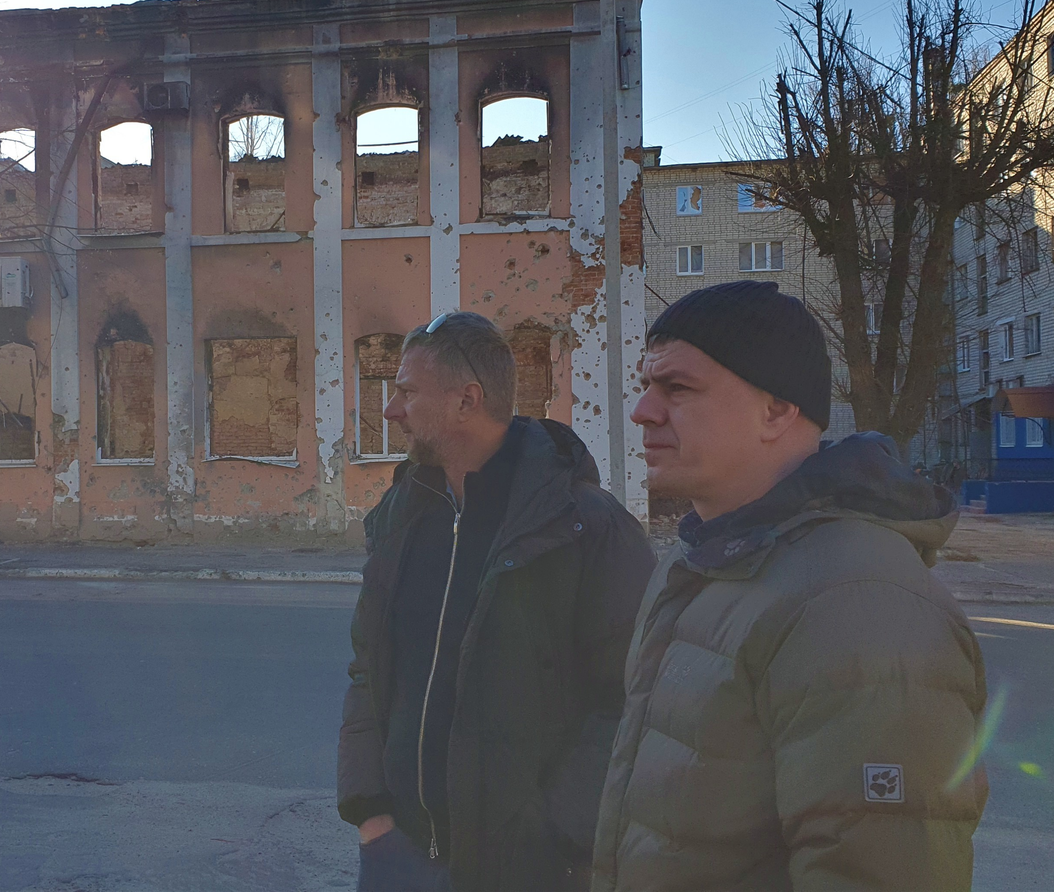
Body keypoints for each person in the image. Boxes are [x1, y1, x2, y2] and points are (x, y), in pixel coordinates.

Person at [592, 281, 989, 892]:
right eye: (647, 387)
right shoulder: (697, 562)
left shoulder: (858, 600)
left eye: (677, 388)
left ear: (777, 409)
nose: (644, 411)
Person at [338, 311, 655, 892]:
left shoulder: (585, 527)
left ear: (467, 401)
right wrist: (371, 813)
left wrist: (556, 837)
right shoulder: (402, 515)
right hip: (397, 857)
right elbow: (369, 667)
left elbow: (632, 700)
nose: (390, 411)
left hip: (527, 868)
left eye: (407, 392)